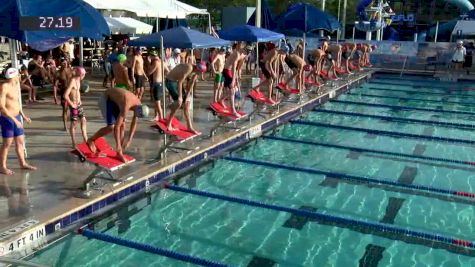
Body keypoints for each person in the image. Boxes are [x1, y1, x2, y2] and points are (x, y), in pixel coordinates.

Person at [88, 87, 143, 163]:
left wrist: (129, 140)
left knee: (123, 125)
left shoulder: (139, 105)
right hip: (106, 99)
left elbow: (134, 122)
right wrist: (118, 146)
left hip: (117, 101)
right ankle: (91, 139)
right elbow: (116, 128)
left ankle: (119, 153)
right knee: (111, 127)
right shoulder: (127, 104)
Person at [0, 68, 36, 175]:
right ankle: (2, 167)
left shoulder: (16, 86)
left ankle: (22, 163)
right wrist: (14, 120)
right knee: (7, 143)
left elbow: (16, 103)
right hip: (7, 119)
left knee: (20, 141)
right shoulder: (4, 87)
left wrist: (23, 116)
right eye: (18, 75)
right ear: (13, 76)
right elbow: (2, 107)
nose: (19, 76)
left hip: (17, 118)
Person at [165, 63, 204, 134]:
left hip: (177, 82)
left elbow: (192, 83)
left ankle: (189, 127)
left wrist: (187, 96)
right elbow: (180, 82)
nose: (200, 74)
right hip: (170, 81)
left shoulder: (196, 72)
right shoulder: (189, 68)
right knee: (179, 103)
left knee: (186, 104)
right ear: (197, 68)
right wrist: (180, 97)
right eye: (200, 72)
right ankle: (168, 124)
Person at [63, 67, 88, 149]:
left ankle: (86, 139)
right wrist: (71, 104)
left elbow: (77, 93)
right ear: (81, 74)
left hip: (79, 104)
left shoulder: (79, 81)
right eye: (84, 74)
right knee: (74, 124)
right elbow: (65, 95)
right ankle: (74, 142)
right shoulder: (72, 81)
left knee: (84, 120)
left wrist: (80, 100)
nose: (84, 76)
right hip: (73, 106)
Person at [221, 42, 245, 117]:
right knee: (232, 91)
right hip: (227, 70)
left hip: (229, 71)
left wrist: (236, 78)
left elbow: (238, 68)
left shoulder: (241, 54)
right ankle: (233, 111)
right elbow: (234, 67)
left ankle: (221, 100)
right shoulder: (237, 54)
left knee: (234, 90)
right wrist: (234, 79)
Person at [148, 50, 169, 121]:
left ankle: (161, 118)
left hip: (156, 83)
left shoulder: (155, 62)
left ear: (152, 56)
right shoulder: (162, 62)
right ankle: (156, 116)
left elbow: (149, 72)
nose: (150, 57)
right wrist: (162, 75)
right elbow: (167, 71)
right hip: (161, 82)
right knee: (156, 101)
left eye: (150, 56)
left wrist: (148, 63)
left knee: (157, 102)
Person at [54, 59, 73, 131]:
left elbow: (76, 80)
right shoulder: (58, 73)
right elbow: (55, 86)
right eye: (63, 63)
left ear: (68, 63)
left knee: (73, 109)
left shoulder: (71, 71)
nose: (64, 64)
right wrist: (55, 97)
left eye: (65, 63)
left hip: (72, 93)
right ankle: (65, 126)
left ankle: (72, 124)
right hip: (64, 93)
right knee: (65, 109)